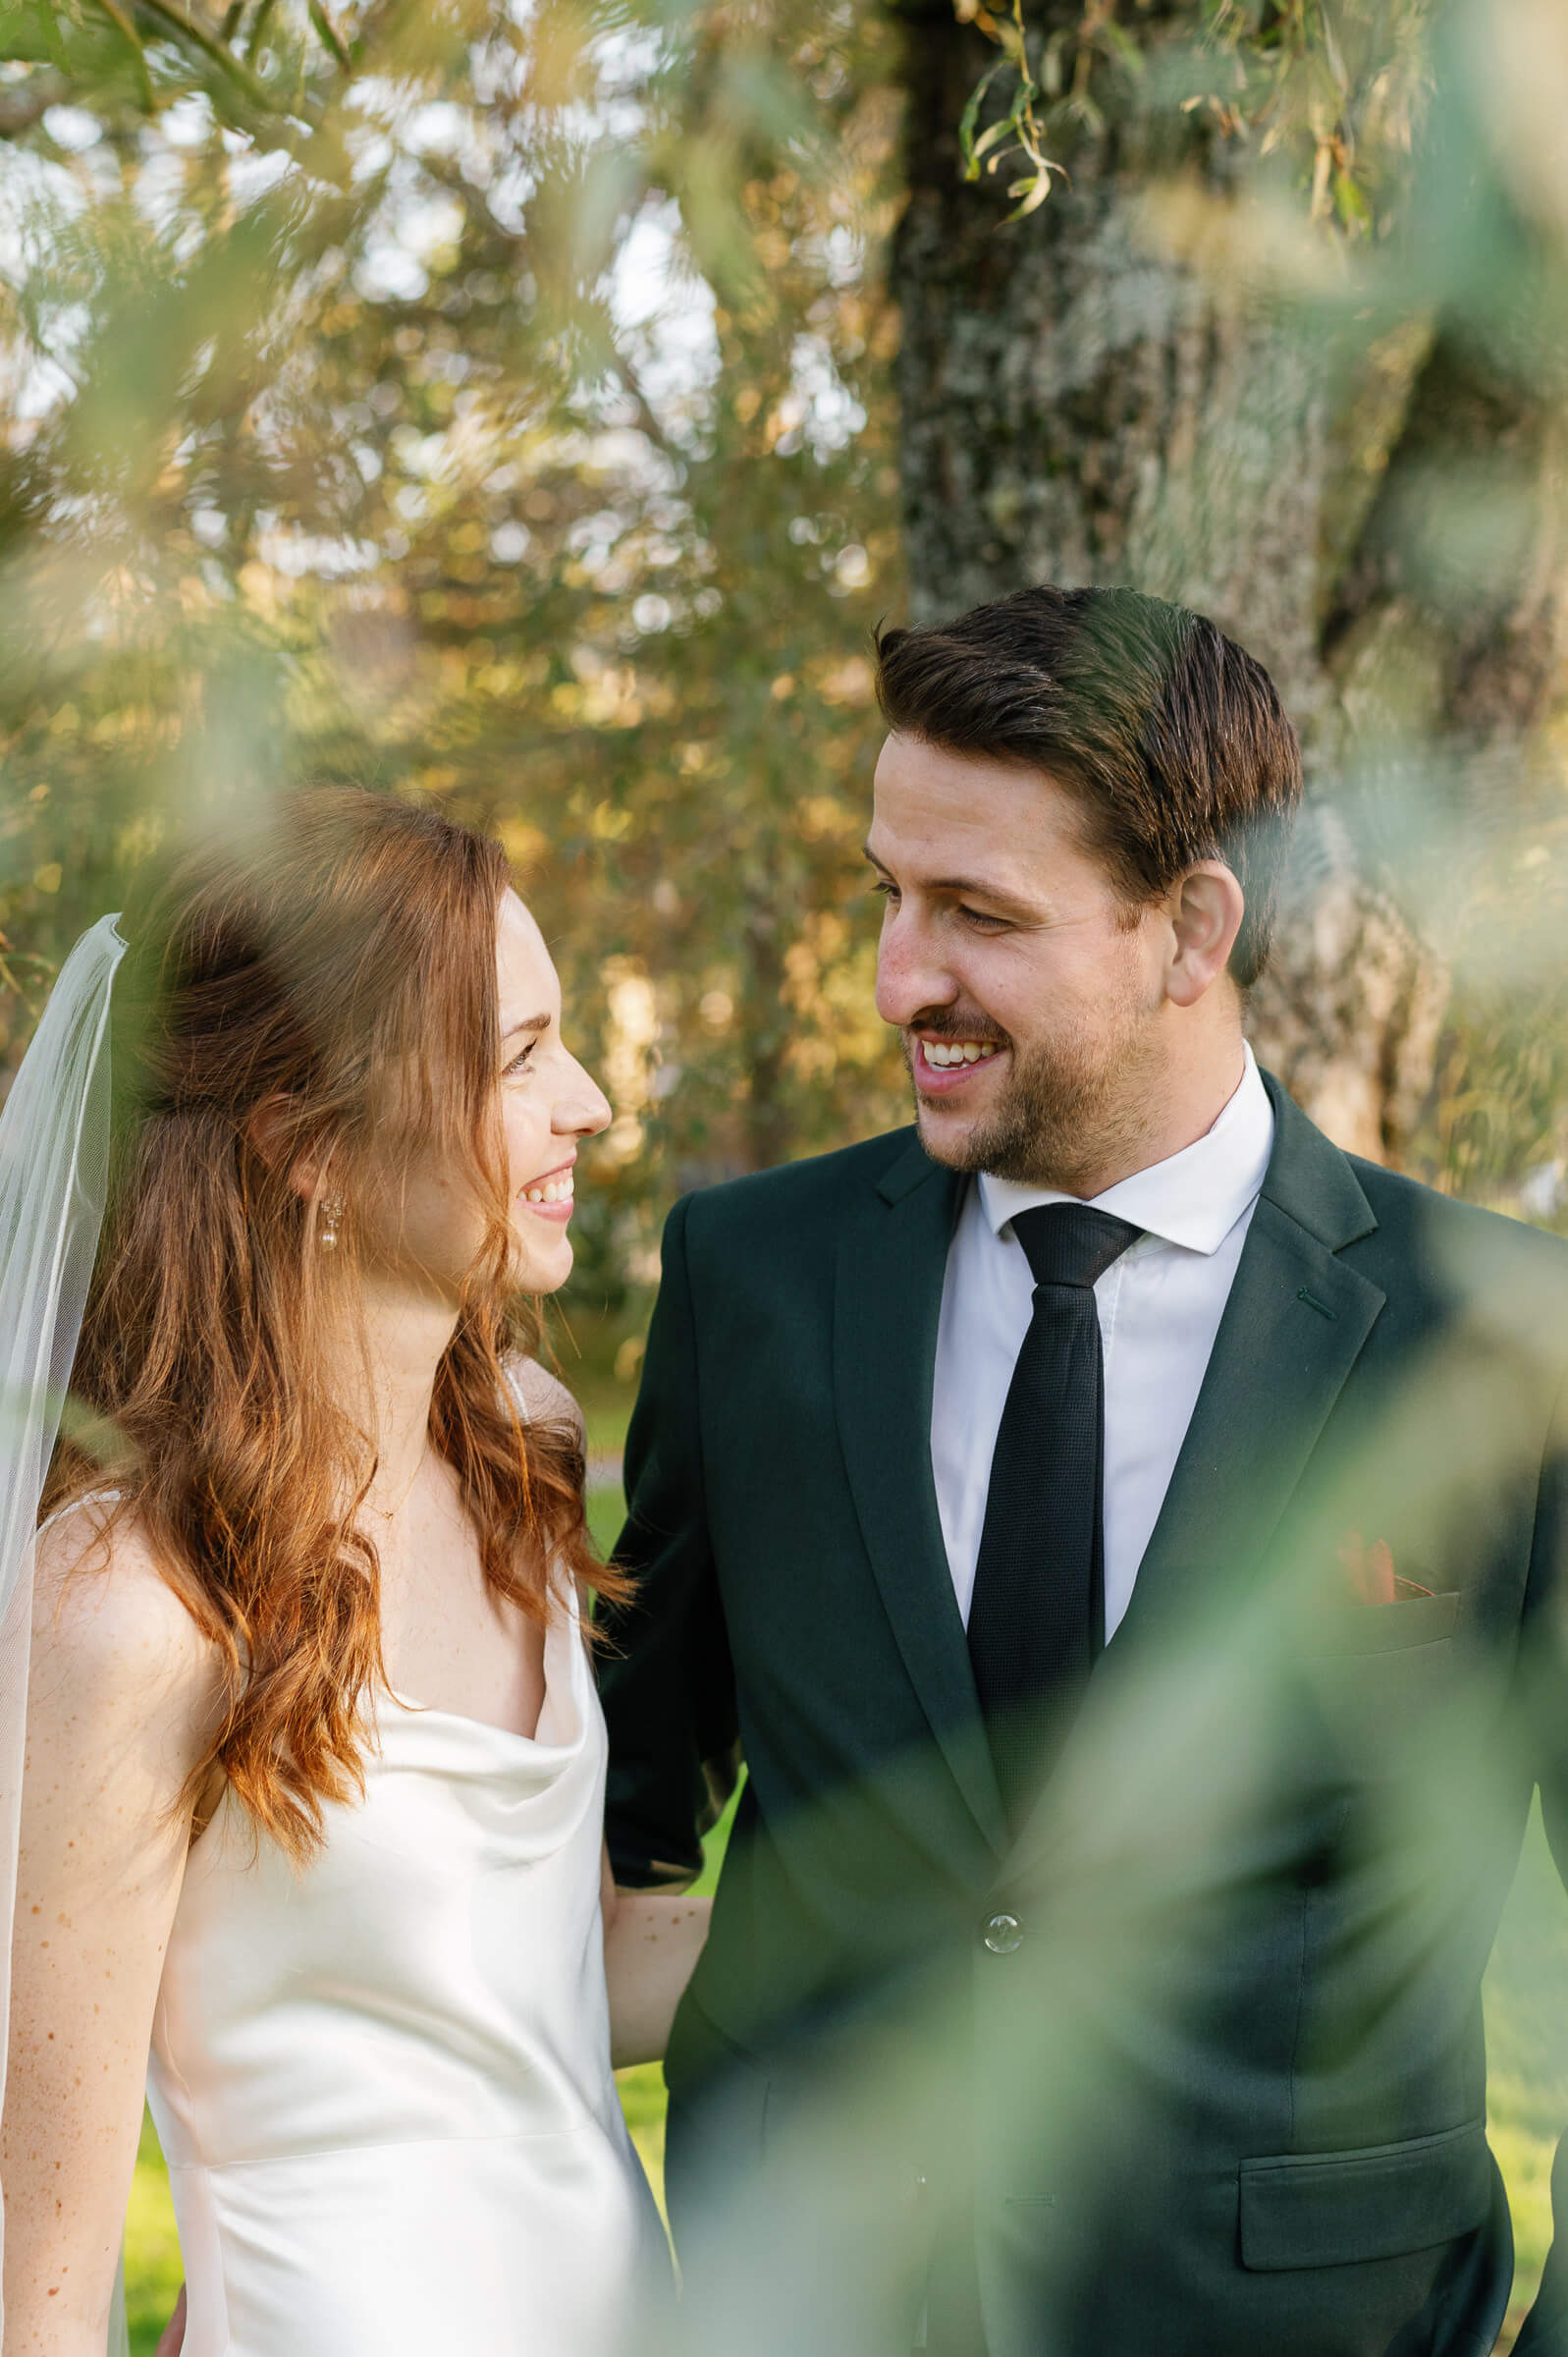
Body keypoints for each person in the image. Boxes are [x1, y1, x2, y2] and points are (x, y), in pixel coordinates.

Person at [601, 583, 1568, 2357]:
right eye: (888, 895)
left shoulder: (1499, 1342)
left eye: (977, 913)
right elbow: (606, 1828)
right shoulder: (753, 1285)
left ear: (1191, 925)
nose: (902, 978)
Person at [1, 788, 708, 2357]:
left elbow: (567, 1981)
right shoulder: (130, 1607)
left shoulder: (525, 1446)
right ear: (307, 1144)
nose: (584, 1101)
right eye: (516, 1058)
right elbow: (32, 2276)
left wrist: (939, 1902)